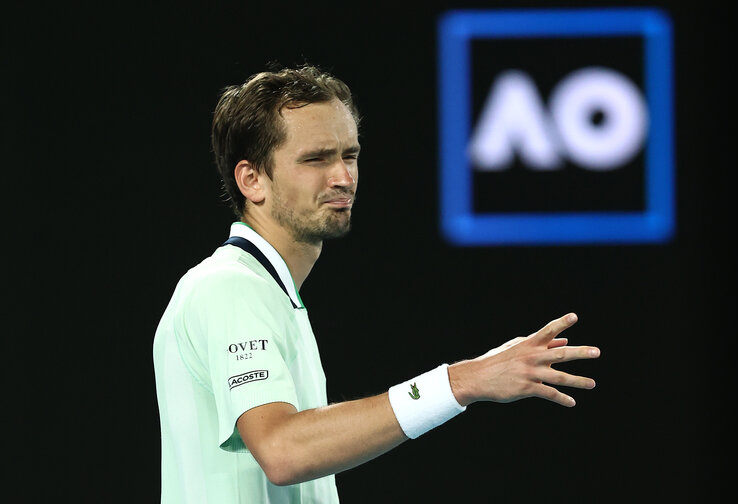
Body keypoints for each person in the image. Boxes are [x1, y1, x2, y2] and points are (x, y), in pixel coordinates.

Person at [153, 64, 601, 504]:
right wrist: (462, 381)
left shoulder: (268, 292)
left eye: (349, 155)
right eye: (315, 159)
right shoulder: (229, 287)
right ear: (252, 179)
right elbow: (284, 451)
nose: (343, 178)